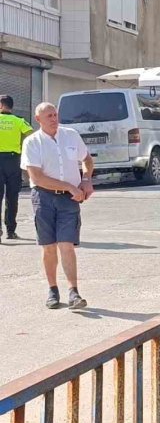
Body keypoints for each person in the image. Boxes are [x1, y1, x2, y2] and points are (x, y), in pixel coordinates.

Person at [20, 103, 94, 309]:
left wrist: (87, 179)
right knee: (49, 247)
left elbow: (87, 159)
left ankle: (74, 292)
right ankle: (53, 290)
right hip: (43, 197)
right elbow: (37, 177)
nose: (54, 119)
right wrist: (70, 186)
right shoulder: (32, 143)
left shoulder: (70, 135)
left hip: (68, 201)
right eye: (49, 116)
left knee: (66, 244)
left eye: (55, 114)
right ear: (38, 120)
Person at [0, 95, 34, 242]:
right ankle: (11, 231)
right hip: (14, 161)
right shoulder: (19, 121)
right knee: (12, 197)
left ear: (1, 105)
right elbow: (32, 135)